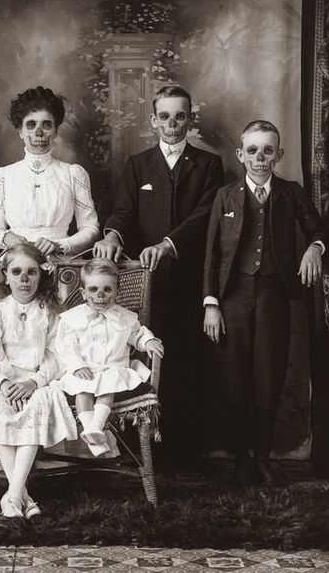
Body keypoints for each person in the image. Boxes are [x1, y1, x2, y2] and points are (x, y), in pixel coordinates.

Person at [93, 85, 224, 469]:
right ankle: (145, 452)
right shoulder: (138, 164)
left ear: (190, 119)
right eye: (164, 116)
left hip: (188, 281)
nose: (172, 123)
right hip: (145, 283)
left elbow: (204, 216)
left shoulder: (209, 165)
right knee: (144, 361)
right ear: (153, 120)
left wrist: (167, 245)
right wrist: (112, 234)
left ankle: (186, 452)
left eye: (179, 116)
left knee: (186, 362)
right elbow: (122, 210)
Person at [202, 120, 326, 487]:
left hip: (275, 296)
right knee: (236, 378)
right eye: (253, 151)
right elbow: (211, 254)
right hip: (233, 298)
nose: (260, 158)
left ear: (279, 154)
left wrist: (314, 249)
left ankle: (264, 457)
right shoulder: (226, 196)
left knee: (269, 377)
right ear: (241, 155)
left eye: (268, 150)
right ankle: (242, 459)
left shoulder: (290, 193)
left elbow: (318, 228)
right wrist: (211, 303)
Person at [0, 244, 77, 518]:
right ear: (5, 275)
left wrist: (34, 382)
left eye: (31, 272)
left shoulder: (49, 311)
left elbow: (55, 355)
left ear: (41, 275)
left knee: (38, 404)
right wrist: (5, 383)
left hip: (37, 380)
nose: (24, 279)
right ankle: (24, 498)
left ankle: (13, 496)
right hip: (3, 380)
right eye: (17, 272)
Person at [56, 259, 165, 456]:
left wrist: (148, 342)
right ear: (83, 293)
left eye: (107, 289)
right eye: (93, 289)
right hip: (84, 369)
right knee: (82, 388)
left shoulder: (125, 316)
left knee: (109, 385)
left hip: (113, 368)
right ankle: (91, 430)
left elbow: (137, 334)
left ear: (117, 292)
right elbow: (64, 346)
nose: (100, 295)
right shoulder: (72, 318)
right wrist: (76, 366)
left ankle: (95, 426)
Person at [0, 86, 100, 258]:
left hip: (62, 264)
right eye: (31, 125)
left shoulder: (73, 173)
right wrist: (6, 237)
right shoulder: (4, 176)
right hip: (16, 263)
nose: (39, 133)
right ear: (20, 132)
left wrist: (60, 245)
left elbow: (91, 228)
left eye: (46, 125)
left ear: (55, 131)